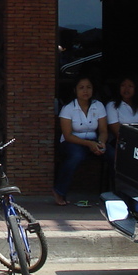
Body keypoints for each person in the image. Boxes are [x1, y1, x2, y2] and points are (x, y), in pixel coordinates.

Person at [53, 76, 108, 206]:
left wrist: (101, 143)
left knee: (112, 154)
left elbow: (104, 131)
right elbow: (68, 135)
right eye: (81, 88)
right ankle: (59, 191)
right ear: (75, 90)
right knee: (77, 156)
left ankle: (112, 193)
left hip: (94, 140)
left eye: (88, 87)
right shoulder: (68, 108)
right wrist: (90, 144)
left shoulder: (98, 106)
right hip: (72, 142)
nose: (85, 91)